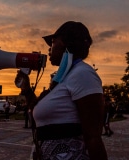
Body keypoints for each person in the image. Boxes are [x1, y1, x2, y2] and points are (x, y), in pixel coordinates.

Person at [15, 21, 108, 160]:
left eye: (52, 42)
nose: (49, 49)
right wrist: (26, 89)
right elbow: (39, 111)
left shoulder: (83, 74)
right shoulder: (63, 77)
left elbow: (93, 137)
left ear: (66, 44)